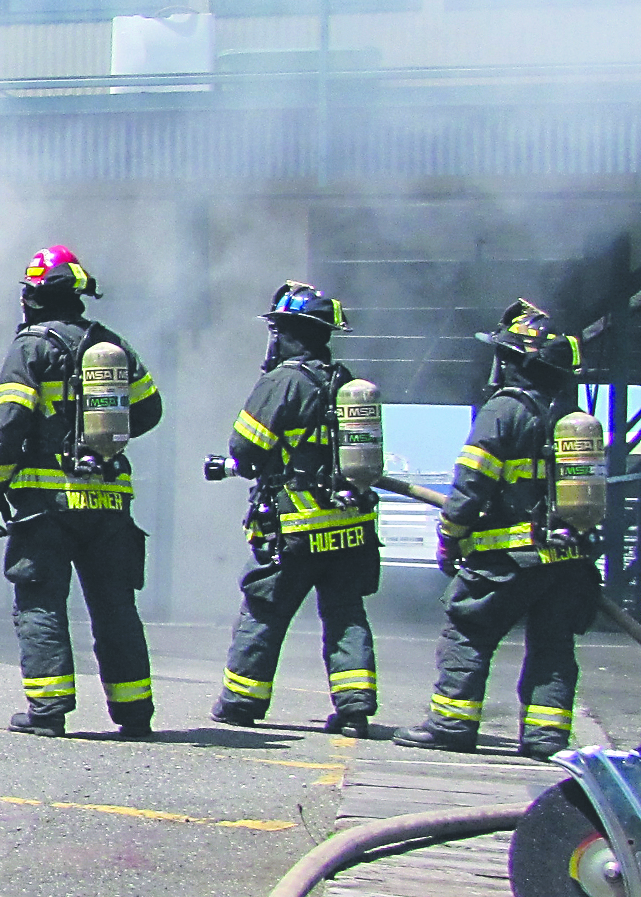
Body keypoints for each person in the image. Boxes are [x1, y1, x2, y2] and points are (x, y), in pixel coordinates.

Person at [396, 300, 600, 760]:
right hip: (567, 562)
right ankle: (546, 738)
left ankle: (451, 722)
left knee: (468, 630)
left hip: (507, 558)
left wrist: (450, 533)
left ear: (514, 360)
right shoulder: (571, 418)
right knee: (553, 646)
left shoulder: (504, 410)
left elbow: (470, 487)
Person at [0, 246, 164, 737]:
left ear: (35, 296)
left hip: (46, 507)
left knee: (40, 602)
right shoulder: (112, 346)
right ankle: (134, 713)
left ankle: (49, 711)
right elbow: (149, 411)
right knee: (116, 607)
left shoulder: (30, 348)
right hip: (108, 503)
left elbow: (8, 424)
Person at [211, 282, 380, 737]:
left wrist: (234, 463)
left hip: (297, 525)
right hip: (350, 526)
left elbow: (245, 450)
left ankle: (241, 701)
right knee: (346, 615)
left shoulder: (283, 380)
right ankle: (355, 709)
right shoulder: (345, 383)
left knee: (264, 609)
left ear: (285, 331)